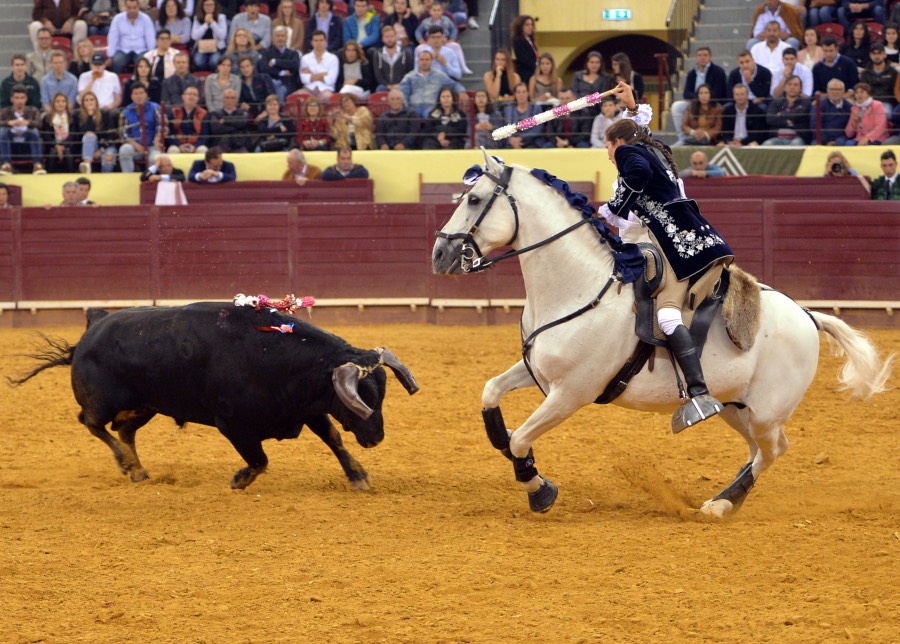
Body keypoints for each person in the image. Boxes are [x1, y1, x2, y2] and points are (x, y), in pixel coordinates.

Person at [599, 81, 733, 432]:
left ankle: (698, 391)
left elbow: (632, 160)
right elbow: (636, 140)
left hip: (665, 245)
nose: (607, 155)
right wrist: (630, 107)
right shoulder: (652, 154)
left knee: (668, 315)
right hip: (674, 240)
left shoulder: (634, 158)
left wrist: (609, 210)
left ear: (618, 144)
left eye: (608, 146)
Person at [670, 47, 728, 134]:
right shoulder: (692, 73)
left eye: (705, 55)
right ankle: (684, 138)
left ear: (710, 57)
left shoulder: (718, 72)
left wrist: (704, 99)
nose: (702, 58)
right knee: (676, 106)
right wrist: (698, 99)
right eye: (699, 55)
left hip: (712, 103)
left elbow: (718, 92)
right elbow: (686, 93)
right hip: (695, 102)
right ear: (696, 58)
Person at [399, 49, 466, 117]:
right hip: (414, 106)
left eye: (427, 59)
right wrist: (406, 108)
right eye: (422, 59)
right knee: (410, 115)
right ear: (418, 61)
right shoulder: (409, 76)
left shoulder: (440, 76)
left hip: (432, 107)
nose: (424, 62)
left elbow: (454, 85)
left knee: (431, 114)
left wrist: (461, 92)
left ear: (432, 61)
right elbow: (403, 93)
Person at [0, 86, 47, 175]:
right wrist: (9, 122)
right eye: (16, 98)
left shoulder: (33, 110)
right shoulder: (5, 111)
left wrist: (28, 122)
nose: (19, 101)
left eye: (22, 98)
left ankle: (37, 164)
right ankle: (6, 165)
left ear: (26, 99)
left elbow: (39, 123)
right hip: (11, 135)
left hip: (27, 135)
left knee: (34, 132)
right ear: (12, 99)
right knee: (3, 132)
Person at [118, 81, 162, 171]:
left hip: (153, 146)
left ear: (146, 94)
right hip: (135, 147)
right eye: (136, 93)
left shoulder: (155, 108)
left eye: (141, 93)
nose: (139, 96)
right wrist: (137, 146)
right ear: (131, 96)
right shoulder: (126, 111)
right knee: (124, 150)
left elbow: (161, 126)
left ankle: (150, 180)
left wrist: (157, 140)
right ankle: (128, 178)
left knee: (154, 158)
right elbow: (124, 134)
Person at [73, 90, 118, 172]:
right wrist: (90, 116)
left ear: (96, 102)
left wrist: (101, 150)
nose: (89, 102)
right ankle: (87, 165)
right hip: (88, 147)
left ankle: (105, 178)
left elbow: (110, 135)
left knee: (108, 157)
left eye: (91, 99)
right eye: (86, 100)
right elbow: (82, 134)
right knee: (89, 135)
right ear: (83, 103)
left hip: (105, 145)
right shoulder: (78, 116)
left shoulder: (105, 114)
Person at [108, 0, 157, 73]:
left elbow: (150, 38)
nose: (132, 10)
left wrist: (151, 54)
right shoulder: (117, 19)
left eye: (134, 8)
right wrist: (111, 56)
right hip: (123, 50)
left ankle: (139, 83)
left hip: (141, 50)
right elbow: (112, 38)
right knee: (117, 61)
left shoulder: (146, 19)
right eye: (129, 8)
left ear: (138, 7)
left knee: (143, 63)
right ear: (126, 7)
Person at [763, 75, 811, 145]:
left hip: (797, 138)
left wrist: (781, 114)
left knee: (796, 145)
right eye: (789, 84)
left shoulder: (805, 102)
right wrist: (789, 122)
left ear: (800, 88)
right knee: (767, 144)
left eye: (795, 85)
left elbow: (800, 115)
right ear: (785, 87)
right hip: (778, 138)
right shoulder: (777, 102)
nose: (792, 87)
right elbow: (770, 119)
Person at [259, 26, 301, 100]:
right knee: (277, 86)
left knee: (281, 89)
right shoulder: (266, 53)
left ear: (286, 38)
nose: (280, 38)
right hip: (272, 84)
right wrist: (281, 72)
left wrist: (276, 62)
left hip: (289, 84)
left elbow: (295, 64)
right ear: (273, 38)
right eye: (277, 36)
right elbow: (264, 68)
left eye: (282, 36)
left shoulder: (293, 53)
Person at [502, 82, 547, 149]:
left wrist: (521, 138)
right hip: (512, 142)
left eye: (523, 92)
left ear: (528, 93)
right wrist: (512, 140)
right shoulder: (508, 109)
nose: (521, 95)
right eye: (518, 92)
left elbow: (538, 128)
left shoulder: (535, 108)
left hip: (532, 141)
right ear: (515, 94)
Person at [166, 85, 209, 154]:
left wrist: (195, 146)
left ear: (198, 98)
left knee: (203, 150)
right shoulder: (174, 112)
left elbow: (205, 135)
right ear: (183, 97)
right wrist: (179, 145)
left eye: (194, 95)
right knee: (173, 150)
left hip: (196, 145)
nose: (191, 97)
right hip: (178, 145)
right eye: (189, 94)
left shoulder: (203, 114)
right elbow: (169, 134)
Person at [370, 24, 414, 92]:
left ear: (396, 37)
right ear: (382, 39)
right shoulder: (377, 55)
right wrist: (387, 85)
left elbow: (410, 72)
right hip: (385, 86)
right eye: (386, 37)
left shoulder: (406, 54)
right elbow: (378, 75)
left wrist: (399, 85)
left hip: (401, 85)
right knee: (380, 89)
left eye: (391, 36)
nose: (389, 39)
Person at [41, 92, 78, 173]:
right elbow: (46, 136)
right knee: (53, 152)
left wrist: (63, 146)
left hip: (69, 145)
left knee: (68, 152)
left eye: (63, 101)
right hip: (52, 146)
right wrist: (56, 146)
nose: (60, 103)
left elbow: (73, 135)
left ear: (66, 103)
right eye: (57, 101)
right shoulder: (47, 118)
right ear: (53, 103)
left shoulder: (73, 117)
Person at [571, 51, 613, 119]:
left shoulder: (606, 78)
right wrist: (583, 103)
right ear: (587, 63)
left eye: (597, 62)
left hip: (597, 109)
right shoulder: (577, 76)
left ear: (601, 64)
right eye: (592, 62)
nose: (594, 65)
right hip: (579, 109)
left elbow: (603, 95)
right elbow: (574, 92)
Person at [811, 78, 854, 144]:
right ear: (827, 91)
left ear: (843, 91)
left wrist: (836, 141)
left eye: (838, 89)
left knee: (841, 143)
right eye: (832, 89)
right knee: (814, 145)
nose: (835, 92)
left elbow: (850, 127)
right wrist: (827, 141)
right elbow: (814, 125)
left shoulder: (849, 107)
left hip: (841, 137)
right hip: (822, 138)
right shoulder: (819, 105)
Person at [299, 30, 340, 98]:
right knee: (295, 97)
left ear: (325, 42)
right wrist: (323, 74)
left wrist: (312, 75)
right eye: (316, 40)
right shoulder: (305, 58)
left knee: (327, 98)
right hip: (309, 88)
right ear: (312, 42)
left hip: (326, 89)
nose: (318, 43)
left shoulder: (333, 58)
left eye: (321, 40)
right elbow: (304, 79)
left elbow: (331, 80)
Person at [208, 87, 251, 152]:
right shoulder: (215, 113)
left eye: (232, 98)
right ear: (223, 99)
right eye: (227, 97)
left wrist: (225, 120)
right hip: (221, 144)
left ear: (236, 100)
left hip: (238, 145)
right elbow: (216, 128)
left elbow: (243, 122)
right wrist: (236, 127)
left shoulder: (241, 112)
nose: (229, 100)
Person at [191, 0, 228, 72]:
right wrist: (206, 24)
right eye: (206, 5)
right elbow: (194, 36)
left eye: (211, 5)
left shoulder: (221, 17)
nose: (209, 7)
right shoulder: (197, 18)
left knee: (214, 61)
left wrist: (212, 23)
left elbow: (222, 36)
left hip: (217, 47)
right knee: (199, 61)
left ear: (215, 6)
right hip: (201, 47)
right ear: (202, 6)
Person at [751, 21, 791, 88]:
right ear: (765, 32)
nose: (771, 33)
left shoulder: (787, 48)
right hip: (760, 86)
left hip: (781, 87)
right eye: (769, 30)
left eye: (774, 31)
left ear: (780, 32)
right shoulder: (756, 48)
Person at [510, 14, 538, 87]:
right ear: (521, 26)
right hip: (525, 74)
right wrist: (536, 67)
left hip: (532, 71)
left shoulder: (530, 40)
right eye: (527, 25)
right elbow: (523, 59)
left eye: (531, 25)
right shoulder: (518, 40)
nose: (530, 27)